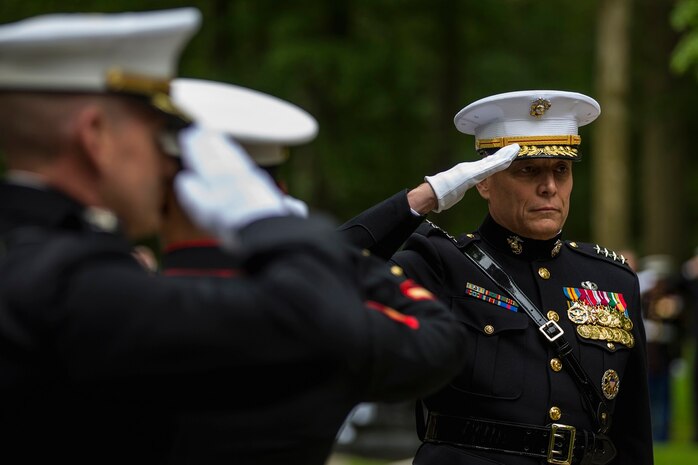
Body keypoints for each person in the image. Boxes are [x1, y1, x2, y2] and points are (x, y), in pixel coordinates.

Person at [0, 10, 468, 465]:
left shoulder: (47, 260)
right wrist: (271, 224)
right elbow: (320, 323)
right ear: (95, 135)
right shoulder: (81, 287)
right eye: (155, 134)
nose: (166, 163)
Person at [340, 90, 653, 464]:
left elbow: (631, 435)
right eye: (527, 170)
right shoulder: (441, 264)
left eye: (561, 170)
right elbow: (326, 273)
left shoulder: (610, 279)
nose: (549, 186)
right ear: (484, 182)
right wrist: (427, 196)